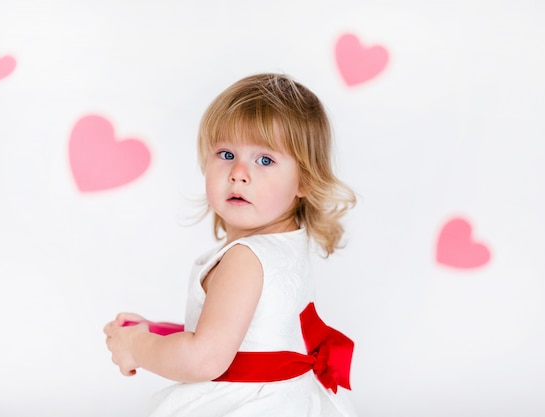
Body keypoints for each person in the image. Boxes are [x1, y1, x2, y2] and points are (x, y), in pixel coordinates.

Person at [103, 73, 358, 416]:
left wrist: (138, 346)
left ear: (305, 181)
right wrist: (160, 332)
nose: (239, 172)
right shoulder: (287, 246)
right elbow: (249, 337)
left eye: (264, 160)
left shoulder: (244, 260)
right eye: (225, 153)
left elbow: (204, 359)